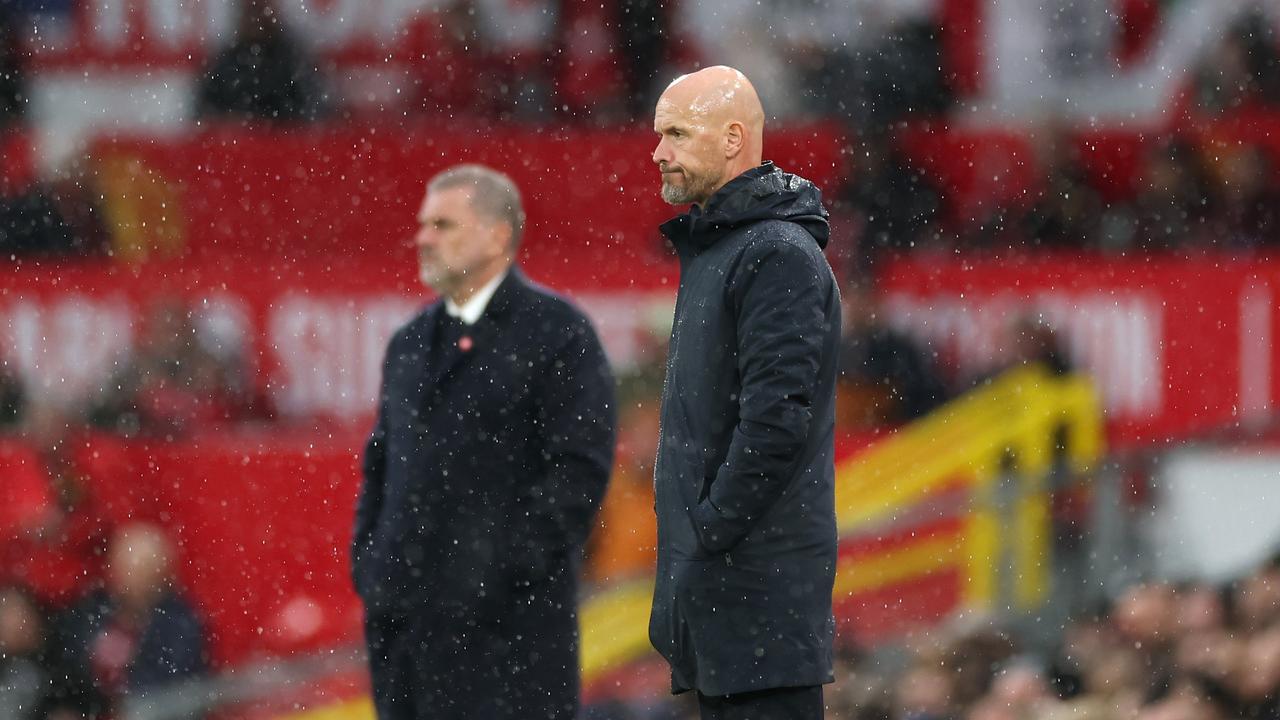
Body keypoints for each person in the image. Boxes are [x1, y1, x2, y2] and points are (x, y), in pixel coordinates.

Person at [351, 164, 616, 720]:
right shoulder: (409, 343)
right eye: (423, 224)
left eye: (443, 224)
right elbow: (380, 466)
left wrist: (491, 573)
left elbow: (577, 474)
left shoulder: (557, 334)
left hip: (506, 643)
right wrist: (373, 568)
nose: (422, 237)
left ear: (498, 235)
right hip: (407, 640)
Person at [647, 66, 841, 720]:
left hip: (756, 599)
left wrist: (704, 534)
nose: (658, 151)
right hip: (730, 600)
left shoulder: (775, 253)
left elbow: (774, 424)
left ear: (733, 140)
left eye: (676, 133)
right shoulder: (727, 250)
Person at [55, 523, 207, 718]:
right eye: (123, 566)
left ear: (161, 574)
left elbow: (168, 685)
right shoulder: (92, 609)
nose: (128, 578)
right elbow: (67, 666)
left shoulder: (179, 625)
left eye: (140, 569)